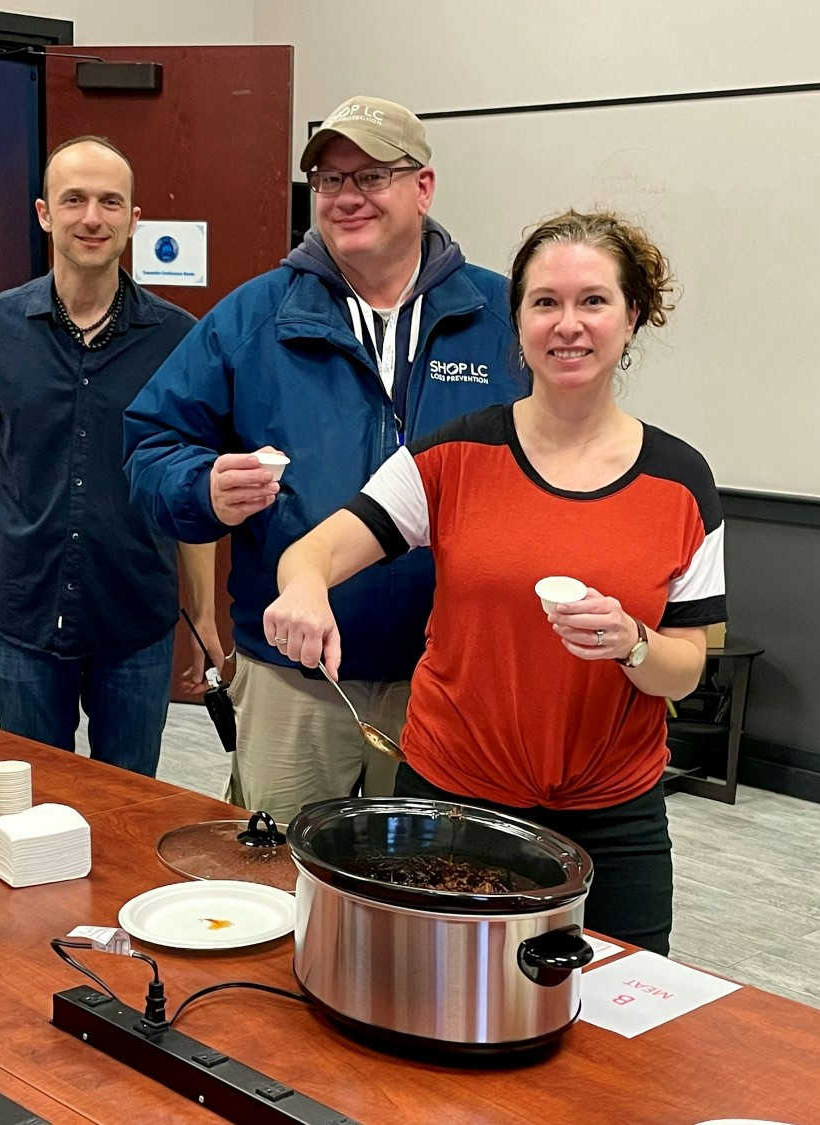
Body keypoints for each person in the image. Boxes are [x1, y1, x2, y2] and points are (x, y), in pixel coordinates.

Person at [262, 210, 726, 954]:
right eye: (545, 302)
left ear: (632, 317)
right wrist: (305, 589)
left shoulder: (681, 481)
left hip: (615, 814)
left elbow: (685, 667)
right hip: (450, 796)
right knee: (426, 996)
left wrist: (633, 642)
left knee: (619, 1034)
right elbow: (311, 554)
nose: (567, 324)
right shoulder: (453, 455)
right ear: (518, 322)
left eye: (593, 301)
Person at [124, 96, 521, 823]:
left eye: (370, 175)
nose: (347, 197)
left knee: (432, 890)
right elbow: (150, 444)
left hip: (451, 678)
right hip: (294, 678)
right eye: (330, 180)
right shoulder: (255, 317)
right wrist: (200, 487)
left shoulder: (502, 318)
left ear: (423, 187)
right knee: (281, 882)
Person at [0, 136, 222, 779]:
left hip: (136, 621)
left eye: (110, 202)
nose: (92, 217)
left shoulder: (179, 339)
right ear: (44, 213)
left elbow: (190, 488)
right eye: (75, 200)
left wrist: (202, 617)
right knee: (30, 809)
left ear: (133, 221)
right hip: (25, 617)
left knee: (130, 808)